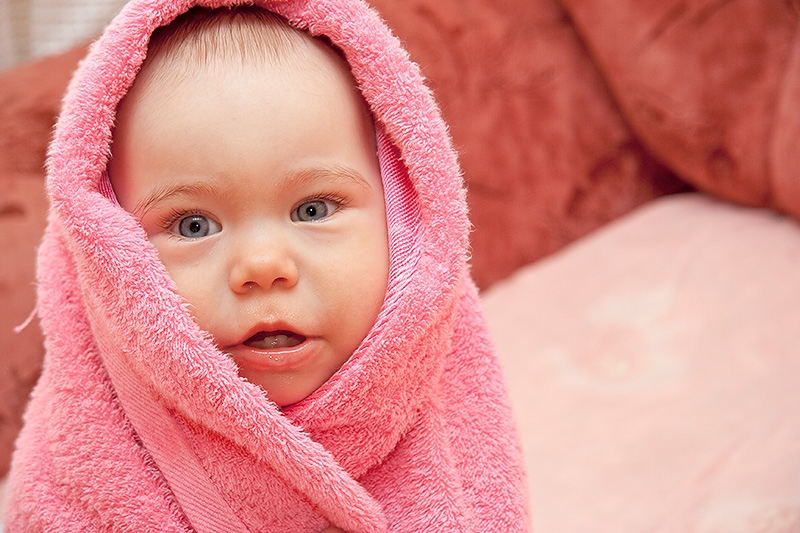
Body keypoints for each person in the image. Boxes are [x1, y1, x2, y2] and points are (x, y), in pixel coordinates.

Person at [5, 1, 529, 531]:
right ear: (108, 256)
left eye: (313, 210)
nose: (261, 267)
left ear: (406, 222)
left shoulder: (449, 405)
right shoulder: (84, 461)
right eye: (193, 225)